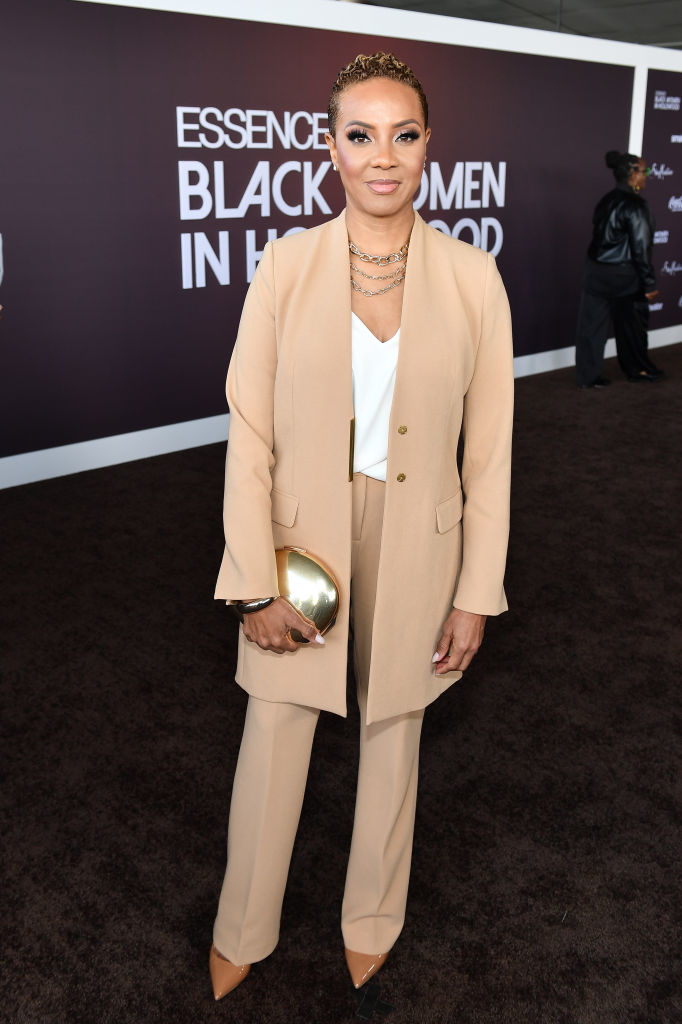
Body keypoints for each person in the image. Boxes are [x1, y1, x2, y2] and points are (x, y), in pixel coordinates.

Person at [209, 52, 514, 1001]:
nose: (384, 157)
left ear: (429, 147)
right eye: (361, 134)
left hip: (422, 536)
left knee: (396, 727)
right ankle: (242, 924)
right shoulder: (288, 264)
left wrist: (476, 592)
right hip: (305, 533)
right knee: (277, 723)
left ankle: (373, 918)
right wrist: (253, 579)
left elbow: (491, 452)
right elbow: (249, 428)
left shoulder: (472, 278)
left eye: (405, 135)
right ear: (330, 144)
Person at [575, 150, 663, 388]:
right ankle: (638, 369)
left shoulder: (606, 199)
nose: (647, 175)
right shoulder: (637, 206)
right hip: (624, 277)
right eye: (645, 171)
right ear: (632, 174)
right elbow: (641, 249)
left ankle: (588, 378)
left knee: (591, 328)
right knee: (632, 327)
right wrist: (649, 284)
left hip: (595, 274)